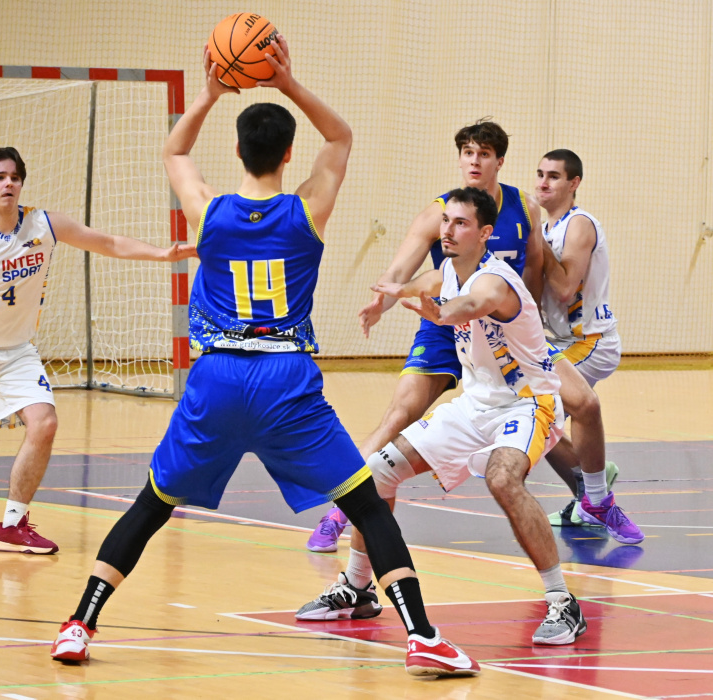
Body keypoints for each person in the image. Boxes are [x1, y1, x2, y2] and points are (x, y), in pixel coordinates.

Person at [50, 37, 480, 678]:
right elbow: (340, 139)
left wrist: (213, 90)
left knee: (151, 504)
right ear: (286, 154)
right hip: (286, 380)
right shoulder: (307, 210)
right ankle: (422, 636)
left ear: (238, 151)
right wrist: (287, 83)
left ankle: (78, 625)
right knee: (364, 503)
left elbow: (173, 150)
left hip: (217, 376)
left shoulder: (211, 212)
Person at [305, 120, 622, 554]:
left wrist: (521, 318)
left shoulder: (523, 207)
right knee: (399, 415)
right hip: (445, 325)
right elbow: (401, 272)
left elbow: (533, 266)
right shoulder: (440, 211)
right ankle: (340, 512)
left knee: (575, 405)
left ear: (499, 161)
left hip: (504, 333)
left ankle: (594, 500)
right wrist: (383, 299)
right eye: (468, 153)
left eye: (484, 153)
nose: (474, 160)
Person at [299, 187, 587, 645]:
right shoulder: (447, 271)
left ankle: (562, 601)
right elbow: (424, 284)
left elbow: (468, 306)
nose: (447, 230)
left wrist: (441, 313)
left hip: (528, 403)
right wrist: (388, 298)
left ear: (485, 233)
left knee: (503, 478)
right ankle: (356, 587)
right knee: (373, 475)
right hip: (474, 406)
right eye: (446, 222)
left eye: (460, 223)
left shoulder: (497, 281)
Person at [0, 146, 196, 555]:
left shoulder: (44, 225)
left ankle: (13, 527)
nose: (8, 183)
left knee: (45, 424)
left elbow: (106, 241)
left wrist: (162, 253)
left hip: (15, 352)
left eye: (15, 177)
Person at [536, 149, 642, 542]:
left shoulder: (578, 225)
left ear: (573, 183)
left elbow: (564, 290)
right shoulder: (545, 230)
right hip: (560, 342)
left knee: (537, 410)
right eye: (540, 174)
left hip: (591, 342)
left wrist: (534, 240)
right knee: (537, 419)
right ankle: (589, 492)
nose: (543, 183)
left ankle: (594, 493)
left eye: (553, 176)